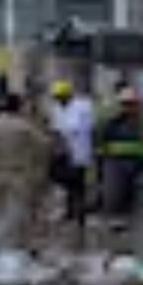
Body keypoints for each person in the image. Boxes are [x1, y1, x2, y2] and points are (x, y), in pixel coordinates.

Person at [0, 91, 55, 248]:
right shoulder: (26, 127)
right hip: (19, 177)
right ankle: (12, 247)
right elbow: (46, 147)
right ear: (19, 107)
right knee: (16, 215)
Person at [96, 82, 143, 226]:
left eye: (131, 104)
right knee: (114, 194)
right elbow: (102, 136)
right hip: (115, 160)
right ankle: (115, 222)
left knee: (128, 196)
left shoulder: (138, 118)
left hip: (133, 162)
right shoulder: (111, 116)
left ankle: (125, 224)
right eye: (126, 104)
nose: (129, 107)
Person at [48, 79, 95, 225]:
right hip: (63, 151)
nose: (59, 100)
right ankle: (70, 210)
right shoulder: (57, 108)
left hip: (79, 150)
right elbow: (56, 128)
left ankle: (80, 214)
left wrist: (64, 134)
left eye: (61, 97)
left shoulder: (83, 106)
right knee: (63, 180)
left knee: (78, 183)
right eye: (57, 98)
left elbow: (78, 127)